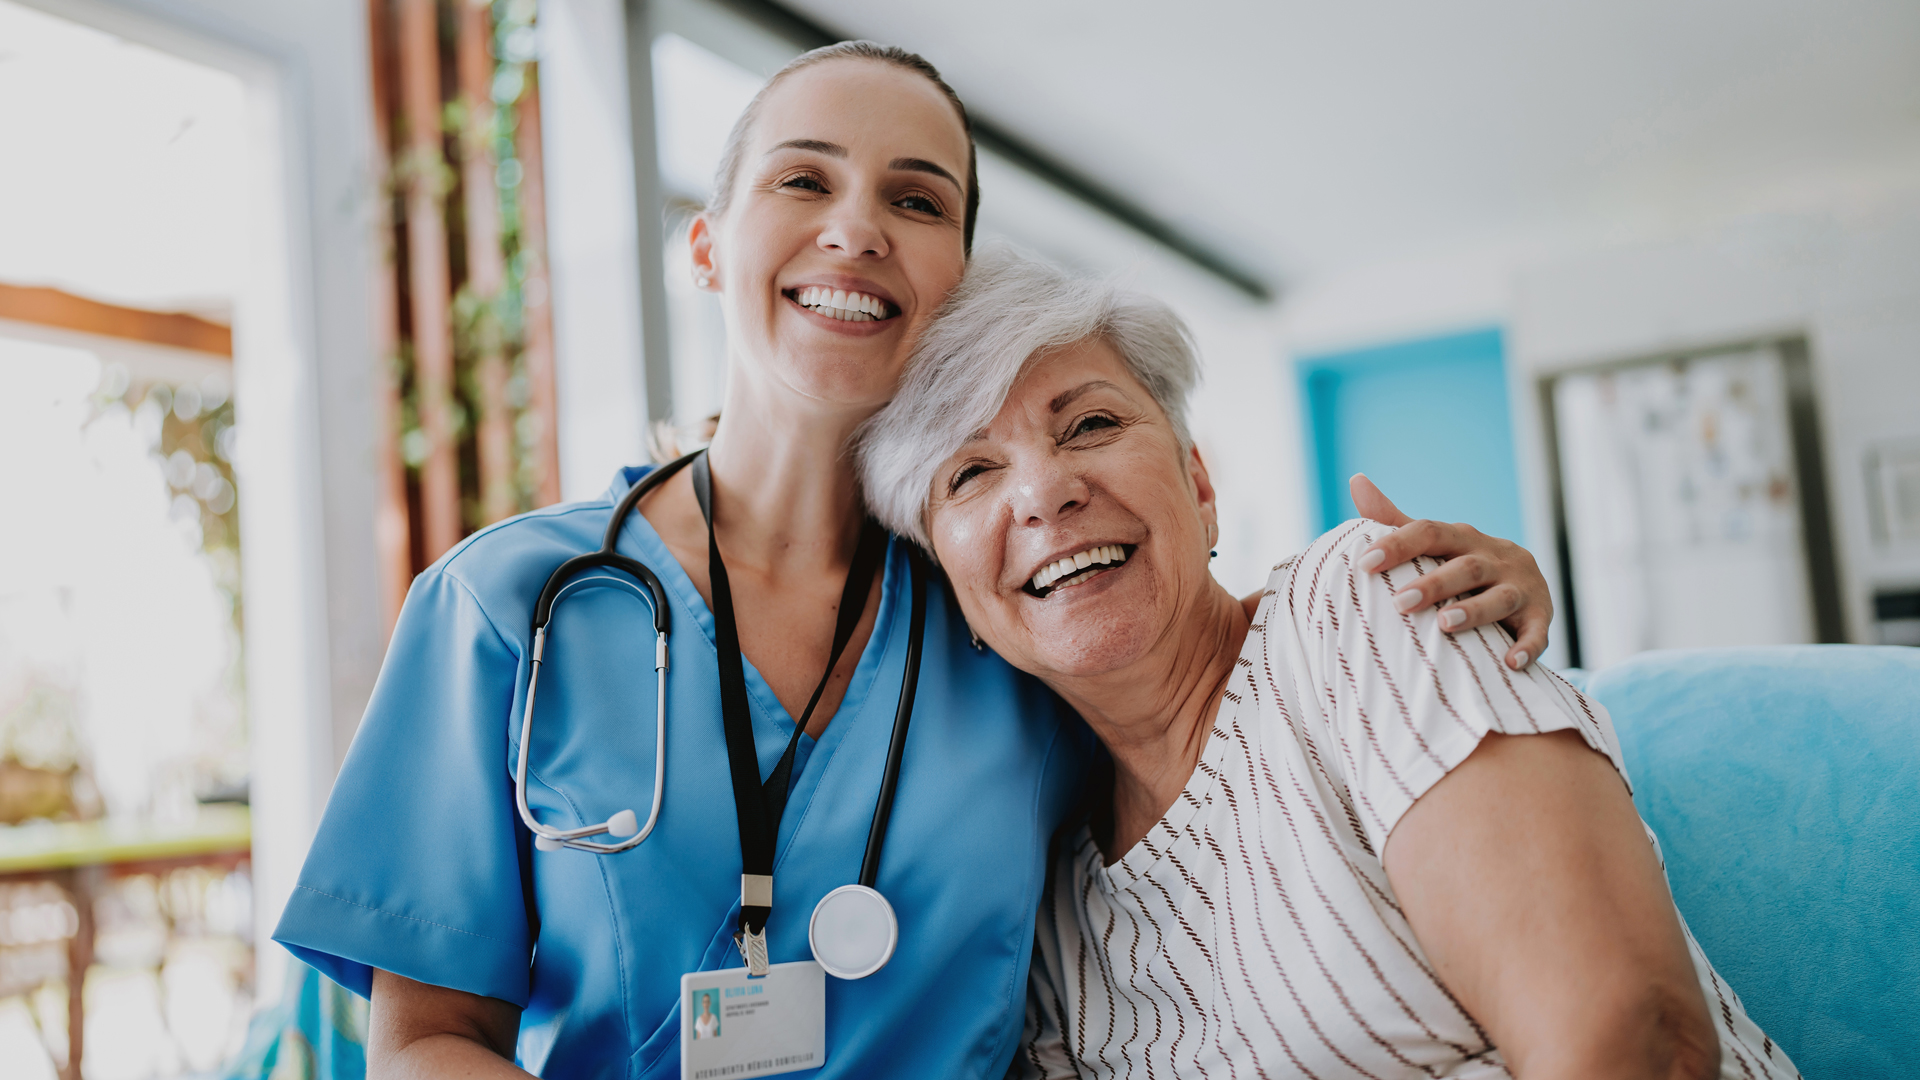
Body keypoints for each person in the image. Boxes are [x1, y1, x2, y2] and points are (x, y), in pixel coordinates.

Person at [276, 43, 1560, 1079]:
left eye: (915, 198)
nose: (856, 228)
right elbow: (429, 1041)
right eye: (802, 180)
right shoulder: (510, 607)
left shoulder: (1008, 604)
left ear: (952, 279)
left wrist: (1436, 598)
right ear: (709, 248)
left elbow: (1226, 691)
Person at [856, 247, 1797, 1080]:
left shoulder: (1361, 607)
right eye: (971, 473)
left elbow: (1634, 1041)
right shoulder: (1049, 909)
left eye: (1091, 424)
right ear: (949, 584)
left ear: (1199, 485)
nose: (1045, 493)